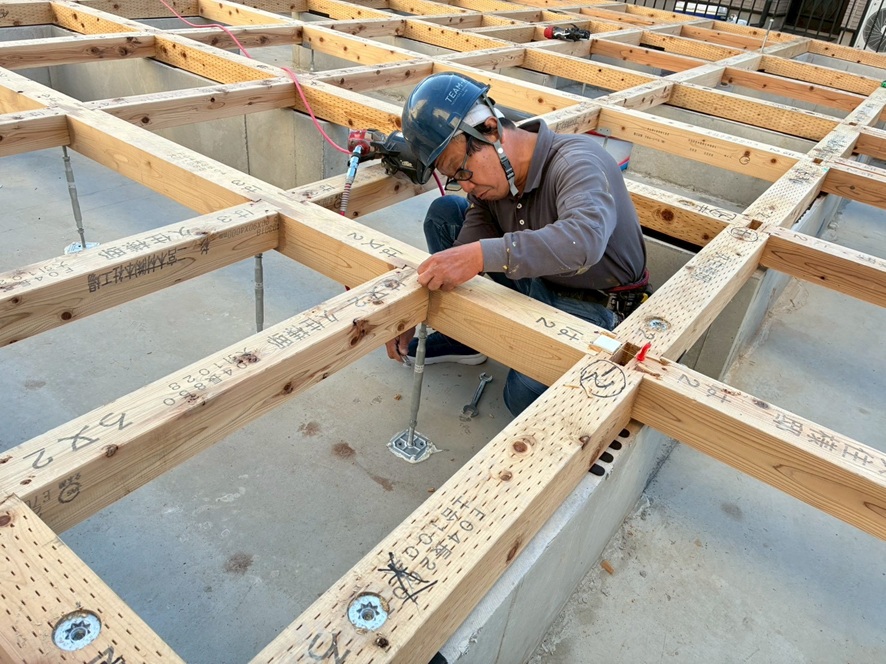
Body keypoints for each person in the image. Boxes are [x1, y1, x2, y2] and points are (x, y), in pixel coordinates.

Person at [385, 72, 649, 417]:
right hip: (538, 280)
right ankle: (463, 337)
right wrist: (416, 305)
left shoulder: (576, 161)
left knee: (521, 395)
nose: (466, 186)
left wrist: (479, 256)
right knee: (446, 214)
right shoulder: (493, 185)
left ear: (491, 130)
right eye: (455, 178)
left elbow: (584, 240)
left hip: (594, 303)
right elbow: (462, 250)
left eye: (461, 170)